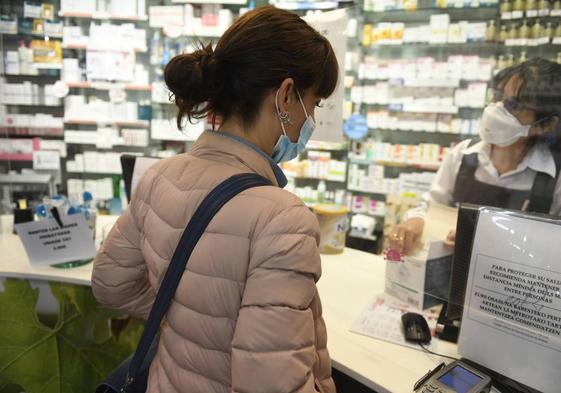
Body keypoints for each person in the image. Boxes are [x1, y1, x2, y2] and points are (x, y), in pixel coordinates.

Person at [92, 6, 338, 393]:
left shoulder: (159, 176)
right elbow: (273, 384)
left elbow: (110, 284)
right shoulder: (282, 218)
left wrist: (190, 321)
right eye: (315, 104)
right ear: (286, 96)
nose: (313, 121)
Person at [392, 58, 561, 255]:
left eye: (513, 105)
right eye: (496, 96)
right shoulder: (464, 154)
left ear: (545, 124)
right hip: (451, 278)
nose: (496, 108)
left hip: (511, 283)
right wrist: (417, 220)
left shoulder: (555, 175)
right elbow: (430, 206)